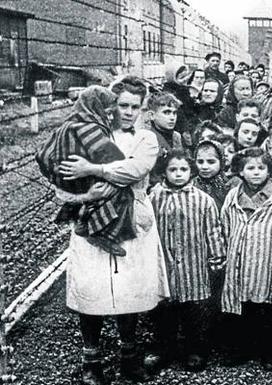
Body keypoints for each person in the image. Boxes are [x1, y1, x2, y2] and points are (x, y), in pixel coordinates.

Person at [56, 76, 169, 385]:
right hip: (90, 220)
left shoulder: (146, 139)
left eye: (136, 107)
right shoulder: (88, 136)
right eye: (123, 105)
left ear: (143, 109)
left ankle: (129, 357)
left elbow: (135, 170)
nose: (129, 112)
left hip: (133, 219)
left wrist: (93, 170)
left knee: (128, 288)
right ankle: (91, 360)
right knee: (92, 287)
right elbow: (62, 185)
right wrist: (85, 196)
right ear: (110, 105)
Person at [146, 148, 226, 373]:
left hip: (194, 266)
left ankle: (195, 350)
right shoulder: (155, 196)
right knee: (164, 311)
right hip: (165, 266)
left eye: (184, 169)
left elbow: (213, 231)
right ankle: (165, 348)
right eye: (173, 169)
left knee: (194, 312)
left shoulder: (203, 200)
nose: (178, 174)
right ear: (165, 172)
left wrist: (217, 258)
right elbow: (148, 228)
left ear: (191, 171)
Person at [36, 85, 135, 256]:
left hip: (63, 176)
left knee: (96, 189)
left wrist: (54, 173)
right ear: (95, 107)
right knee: (122, 192)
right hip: (78, 175)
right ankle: (103, 234)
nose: (109, 114)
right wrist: (122, 164)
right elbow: (107, 153)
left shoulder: (66, 125)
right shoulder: (88, 127)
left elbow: (41, 154)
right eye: (106, 109)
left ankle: (81, 219)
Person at [220, 147, 272, 367]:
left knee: (267, 308)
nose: (256, 172)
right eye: (250, 168)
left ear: (269, 170)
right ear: (241, 172)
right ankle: (241, 349)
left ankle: (270, 352)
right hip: (239, 261)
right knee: (241, 306)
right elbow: (225, 225)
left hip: (267, 261)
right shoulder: (233, 196)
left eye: (261, 168)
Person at [144, 92, 184, 190]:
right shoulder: (147, 137)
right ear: (152, 115)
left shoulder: (176, 137)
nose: (172, 117)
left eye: (174, 113)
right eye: (166, 112)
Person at [163, 64, 196, 149]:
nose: (185, 80)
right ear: (173, 77)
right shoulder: (168, 92)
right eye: (181, 78)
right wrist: (185, 131)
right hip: (177, 130)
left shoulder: (184, 89)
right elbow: (179, 114)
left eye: (186, 77)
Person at [194, 139, 229, 210]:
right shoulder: (192, 185)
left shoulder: (228, 185)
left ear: (221, 162)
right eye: (200, 162)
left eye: (211, 162)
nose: (204, 167)